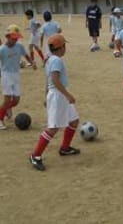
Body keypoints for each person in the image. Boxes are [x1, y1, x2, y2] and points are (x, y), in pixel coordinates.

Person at [29, 34, 80, 171]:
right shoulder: (57, 60)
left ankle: (65, 148)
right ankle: (35, 155)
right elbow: (55, 80)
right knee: (53, 128)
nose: (65, 48)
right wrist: (68, 95)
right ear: (60, 47)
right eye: (64, 45)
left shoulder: (49, 59)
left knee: (74, 120)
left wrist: (46, 95)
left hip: (56, 94)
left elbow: (48, 80)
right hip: (58, 96)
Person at [0, 25, 36, 130]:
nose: (15, 40)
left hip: (16, 74)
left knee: (16, 100)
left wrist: (32, 62)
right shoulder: (2, 49)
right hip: (6, 75)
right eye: (13, 38)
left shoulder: (19, 46)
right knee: (7, 99)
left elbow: (26, 55)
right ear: (7, 36)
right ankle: (0, 119)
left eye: (16, 38)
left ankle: (7, 108)